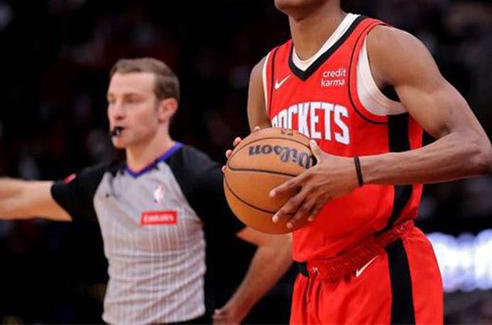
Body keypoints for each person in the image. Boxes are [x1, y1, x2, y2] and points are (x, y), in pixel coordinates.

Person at [236, 0, 492, 324]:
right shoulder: (264, 75)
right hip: (310, 284)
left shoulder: (382, 47)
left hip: (383, 266)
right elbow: (280, 212)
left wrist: (355, 171)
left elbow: (475, 149)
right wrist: (247, 180)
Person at [0, 57, 292, 325]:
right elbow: (18, 198)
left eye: (131, 100)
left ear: (166, 109)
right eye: (112, 101)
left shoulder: (193, 174)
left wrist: (235, 311)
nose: (117, 112)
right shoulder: (102, 183)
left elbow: (281, 242)